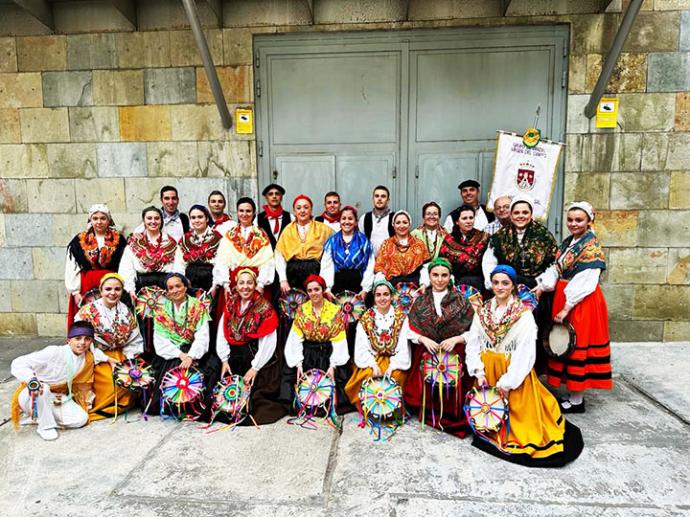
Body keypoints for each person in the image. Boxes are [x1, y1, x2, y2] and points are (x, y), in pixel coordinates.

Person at [465, 265, 584, 467]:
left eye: (505, 283)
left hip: (512, 373)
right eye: (496, 282)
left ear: (513, 286)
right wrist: (477, 371)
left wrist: (507, 383)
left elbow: (525, 354)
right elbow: (474, 341)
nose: (500, 287)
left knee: (520, 423)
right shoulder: (483, 311)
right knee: (487, 409)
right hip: (488, 370)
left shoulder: (524, 315)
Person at [535, 202, 612, 413]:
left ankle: (577, 400)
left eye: (579, 220)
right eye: (570, 219)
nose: (573, 223)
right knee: (566, 345)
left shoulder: (591, 247)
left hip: (580, 302)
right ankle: (572, 394)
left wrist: (566, 308)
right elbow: (556, 268)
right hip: (565, 296)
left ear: (589, 221)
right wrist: (542, 286)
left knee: (577, 345)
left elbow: (586, 281)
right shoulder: (570, 241)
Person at [481, 194, 558, 370]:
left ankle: (532, 371)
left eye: (525, 212)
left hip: (534, 290)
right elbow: (489, 261)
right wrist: (494, 284)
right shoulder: (500, 237)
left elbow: (554, 264)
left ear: (531, 214)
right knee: (508, 329)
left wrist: (542, 285)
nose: (520, 216)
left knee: (531, 330)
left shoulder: (544, 236)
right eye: (516, 212)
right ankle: (507, 369)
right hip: (508, 289)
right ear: (511, 214)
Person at [10, 321, 118, 441]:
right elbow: (18, 363)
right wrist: (32, 380)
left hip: (55, 397)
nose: (82, 342)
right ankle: (45, 426)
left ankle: (39, 416)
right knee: (43, 389)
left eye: (87, 339)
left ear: (91, 342)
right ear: (68, 341)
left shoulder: (87, 356)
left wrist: (108, 359)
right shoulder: (54, 352)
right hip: (32, 394)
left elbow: (96, 353)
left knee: (81, 419)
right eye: (78, 338)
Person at [404, 258, 474, 437]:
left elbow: (474, 331)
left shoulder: (462, 301)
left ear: (450, 277)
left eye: (444, 275)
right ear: (429, 276)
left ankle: (450, 412)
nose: (440, 279)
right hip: (429, 349)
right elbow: (408, 329)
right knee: (424, 363)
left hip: (453, 351)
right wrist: (422, 339)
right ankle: (428, 409)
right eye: (435, 275)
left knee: (453, 367)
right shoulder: (420, 301)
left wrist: (457, 339)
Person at [216, 268, 286, 425]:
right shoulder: (231, 304)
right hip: (233, 357)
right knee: (222, 393)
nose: (245, 287)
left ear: (255, 285)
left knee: (254, 398)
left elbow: (268, 341)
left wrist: (255, 367)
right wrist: (224, 360)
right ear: (236, 285)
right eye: (241, 283)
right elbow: (222, 331)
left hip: (254, 356)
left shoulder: (264, 307)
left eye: (249, 283)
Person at [147, 273, 220, 419]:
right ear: (167, 291)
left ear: (186, 286)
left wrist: (191, 356)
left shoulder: (197, 306)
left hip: (193, 349)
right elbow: (160, 340)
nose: (175, 290)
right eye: (171, 288)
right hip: (172, 352)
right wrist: (181, 355)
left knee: (202, 373)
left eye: (178, 286)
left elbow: (202, 335)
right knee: (172, 373)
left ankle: (193, 409)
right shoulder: (161, 309)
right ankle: (174, 408)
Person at [75, 273, 144, 421]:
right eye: (108, 289)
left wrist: (130, 359)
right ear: (101, 290)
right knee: (111, 381)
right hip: (96, 355)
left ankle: (125, 402)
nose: (113, 293)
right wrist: (105, 358)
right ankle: (103, 406)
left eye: (117, 289)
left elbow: (134, 338)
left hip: (120, 353)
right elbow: (83, 342)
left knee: (132, 376)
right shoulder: (87, 312)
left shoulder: (125, 310)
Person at [279, 275, 352, 414]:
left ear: (323, 290)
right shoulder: (302, 310)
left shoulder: (335, 311)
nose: (314, 293)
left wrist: (333, 366)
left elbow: (339, 341)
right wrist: (298, 364)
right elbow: (295, 339)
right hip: (308, 353)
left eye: (317, 289)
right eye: (310, 290)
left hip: (327, 352)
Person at [118, 206, 179, 353]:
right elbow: (127, 268)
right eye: (149, 218)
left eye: (157, 218)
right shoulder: (134, 244)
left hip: (164, 288)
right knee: (143, 324)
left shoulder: (171, 244)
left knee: (165, 322)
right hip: (141, 289)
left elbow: (176, 268)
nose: (153, 221)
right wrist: (131, 290)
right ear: (144, 221)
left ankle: (164, 356)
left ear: (161, 220)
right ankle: (145, 355)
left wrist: (174, 288)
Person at [344, 279, 411, 409]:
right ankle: (371, 410)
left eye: (386, 294)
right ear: (374, 297)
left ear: (391, 296)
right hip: (373, 359)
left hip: (394, 359)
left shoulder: (402, 317)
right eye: (378, 295)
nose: (382, 298)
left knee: (395, 376)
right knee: (368, 375)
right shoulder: (366, 318)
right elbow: (361, 346)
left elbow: (403, 347)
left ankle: (390, 412)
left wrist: (393, 366)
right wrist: (372, 364)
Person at [64, 204, 126, 326]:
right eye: (95, 218)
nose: (99, 222)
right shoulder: (79, 240)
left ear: (109, 220)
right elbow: (72, 267)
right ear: (90, 220)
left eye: (103, 218)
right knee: (88, 317)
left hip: (111, 284)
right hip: (87, 285)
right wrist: (75, 292)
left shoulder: (119, 240)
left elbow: (125, 265)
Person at [213, 197, 275, 297]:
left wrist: (261, 284)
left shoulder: (261, 235)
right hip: (234, 283)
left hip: (255, 282)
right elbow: (221, 260)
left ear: (254, 213)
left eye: (248, 211)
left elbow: (267, 261)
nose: (244, 214)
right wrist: (225, 284)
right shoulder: (229, 235)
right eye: (241, 211)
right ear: (237, 212)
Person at [275, 195, 333, 293]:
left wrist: (325, 282)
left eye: (306, 207)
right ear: (294, 211)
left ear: (311, 210)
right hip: (292, 274)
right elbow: (279, 255)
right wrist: (283, 280)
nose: (302, 211)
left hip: (315, 272)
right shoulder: (287, 231)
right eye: (298, 208)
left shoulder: (323, 229)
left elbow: (332, 252)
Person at [321, 206, 374, 300]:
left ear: (356, 222)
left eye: (350, 218)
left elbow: (369, 266)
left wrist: (365, 289)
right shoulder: (332, 242)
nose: (347, 222)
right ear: (339, 222)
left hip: (359, 286)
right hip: (337, 286)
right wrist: (327, 289)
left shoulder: (364, 242)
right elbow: (326, 266)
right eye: (343, 218)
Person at [439, 204, 488, 291]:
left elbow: (487, 262)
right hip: (455, 281)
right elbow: (443, 262)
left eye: (471, 218)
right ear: (457, 222)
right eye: (464, 218)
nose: (469, 221)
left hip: (477, 282)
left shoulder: (483, 237)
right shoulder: (449, 239)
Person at [174, 204, 222, 294]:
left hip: (211, 280)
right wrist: (183, 281)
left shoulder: (217, 238)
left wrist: (215, 284)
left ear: (207, 218)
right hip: (190, 282)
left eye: (200, 217)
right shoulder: (185, 239)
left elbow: (220, 264)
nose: (197, 220)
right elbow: (179, 264)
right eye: (193, 217)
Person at [374, 210, 430, 286]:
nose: (401, 226)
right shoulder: (386, 244)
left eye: (405, 222)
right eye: (398, 223)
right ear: (393, 225)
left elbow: (426, 267)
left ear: (409, 224)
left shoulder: (419, 244)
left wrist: (424, 284)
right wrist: (382, 285)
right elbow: (380, 268)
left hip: (415, 286)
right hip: (392, 286)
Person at [359, 185, 394, 253]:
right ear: (373, 199)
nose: (379, 199)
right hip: (370, 261)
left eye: (383, 196)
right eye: (377, 196)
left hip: (390, 261)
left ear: (388, 200)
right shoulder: (364, 218)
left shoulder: (395, 218)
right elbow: (360, 242)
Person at [256, 183, 293, 249]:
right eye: (270, 194)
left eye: (277, 194)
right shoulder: (258, 218)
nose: (274, 196)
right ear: (266, 198)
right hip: (266, 257)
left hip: (286, 257)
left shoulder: (290, 217)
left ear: (281, 197)